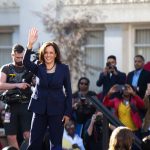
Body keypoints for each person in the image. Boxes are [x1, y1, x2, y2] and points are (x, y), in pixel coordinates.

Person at [23, 27, 72, 150]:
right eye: (46, 52)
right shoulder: (38, 67)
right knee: (34, 142)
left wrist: (67, 112)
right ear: (42, 54)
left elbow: (69, 91)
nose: (48, 55)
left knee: (56, 143)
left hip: (57, 110)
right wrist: (30, 44)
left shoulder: (64, 69)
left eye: (51, 52)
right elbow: (25, 62)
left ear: (55, 54)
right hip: (39, 109)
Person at [0, 44, 33, 149]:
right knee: (10, 136)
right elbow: (0, 85)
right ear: (12, 55)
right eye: (17, 57)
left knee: (28, 135)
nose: (19, 59)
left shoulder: (29, 67)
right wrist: (17, 85)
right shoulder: (6, 68)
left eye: (21, 57)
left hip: (26, 105)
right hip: (10, 107)